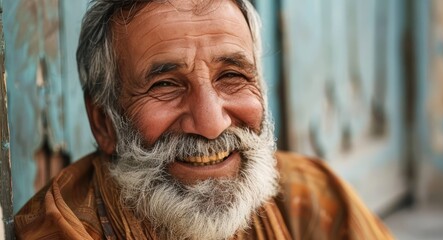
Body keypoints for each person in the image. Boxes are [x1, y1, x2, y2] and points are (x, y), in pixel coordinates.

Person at [14, 0, 393, 239]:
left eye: (232, 76)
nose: (212, 123)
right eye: (165, 84)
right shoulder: (60, 233)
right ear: (103, 123)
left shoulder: (311, 199)